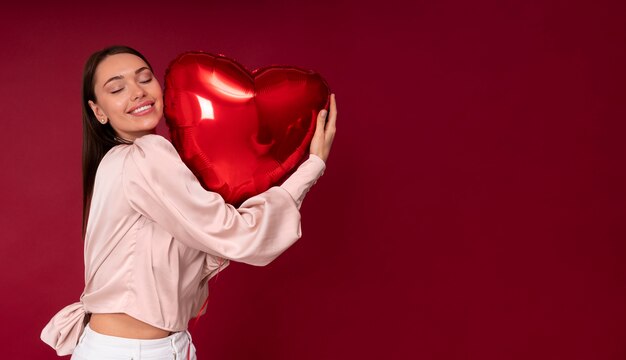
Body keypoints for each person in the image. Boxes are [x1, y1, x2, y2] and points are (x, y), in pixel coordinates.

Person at [40, 45, 337, 359]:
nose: (137, 92)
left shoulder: (130, 162)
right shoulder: (146, 155)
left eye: (144, 79)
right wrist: (312, 167)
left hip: (161, 347)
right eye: (117, 88)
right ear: (98, 111)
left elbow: (202, 247)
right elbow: (237, 237)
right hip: (132, 352)